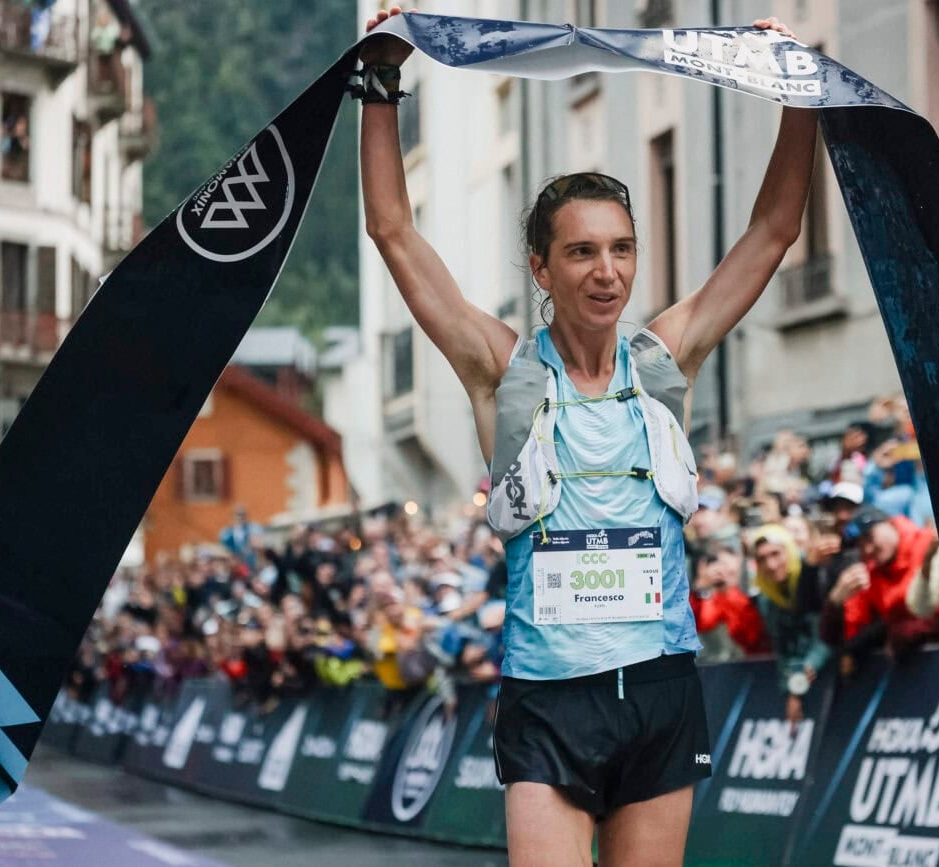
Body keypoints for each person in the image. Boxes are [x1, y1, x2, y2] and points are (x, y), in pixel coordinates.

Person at [359, 8, 816, 864]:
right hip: (549, 698)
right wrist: (381, 81)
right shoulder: (501, 367)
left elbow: (772, 233)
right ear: (541, 267)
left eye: (622, 250)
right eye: (580, 253)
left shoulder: (665, 358)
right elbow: (394, 231)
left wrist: (801, 89)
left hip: (659, 688)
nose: (606, 272)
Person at [821, 507, 939, 666]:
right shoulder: (870, 575)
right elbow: (842, 640)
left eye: (869, 537)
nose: (868, 549)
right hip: (912, 673)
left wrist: (907, 631)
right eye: (860, 546)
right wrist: (834, 602)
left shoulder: (929, 544)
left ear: (888, 524)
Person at [750, 525, 832, 726]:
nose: (770, 564)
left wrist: (808, 667)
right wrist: (790, 690)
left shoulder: (814, 573)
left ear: (789, 550)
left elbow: (825, 633)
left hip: (830, 668)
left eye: (776, 554)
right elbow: (782, 647)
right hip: (800, 677)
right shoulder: (766, 598)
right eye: (762, 559)